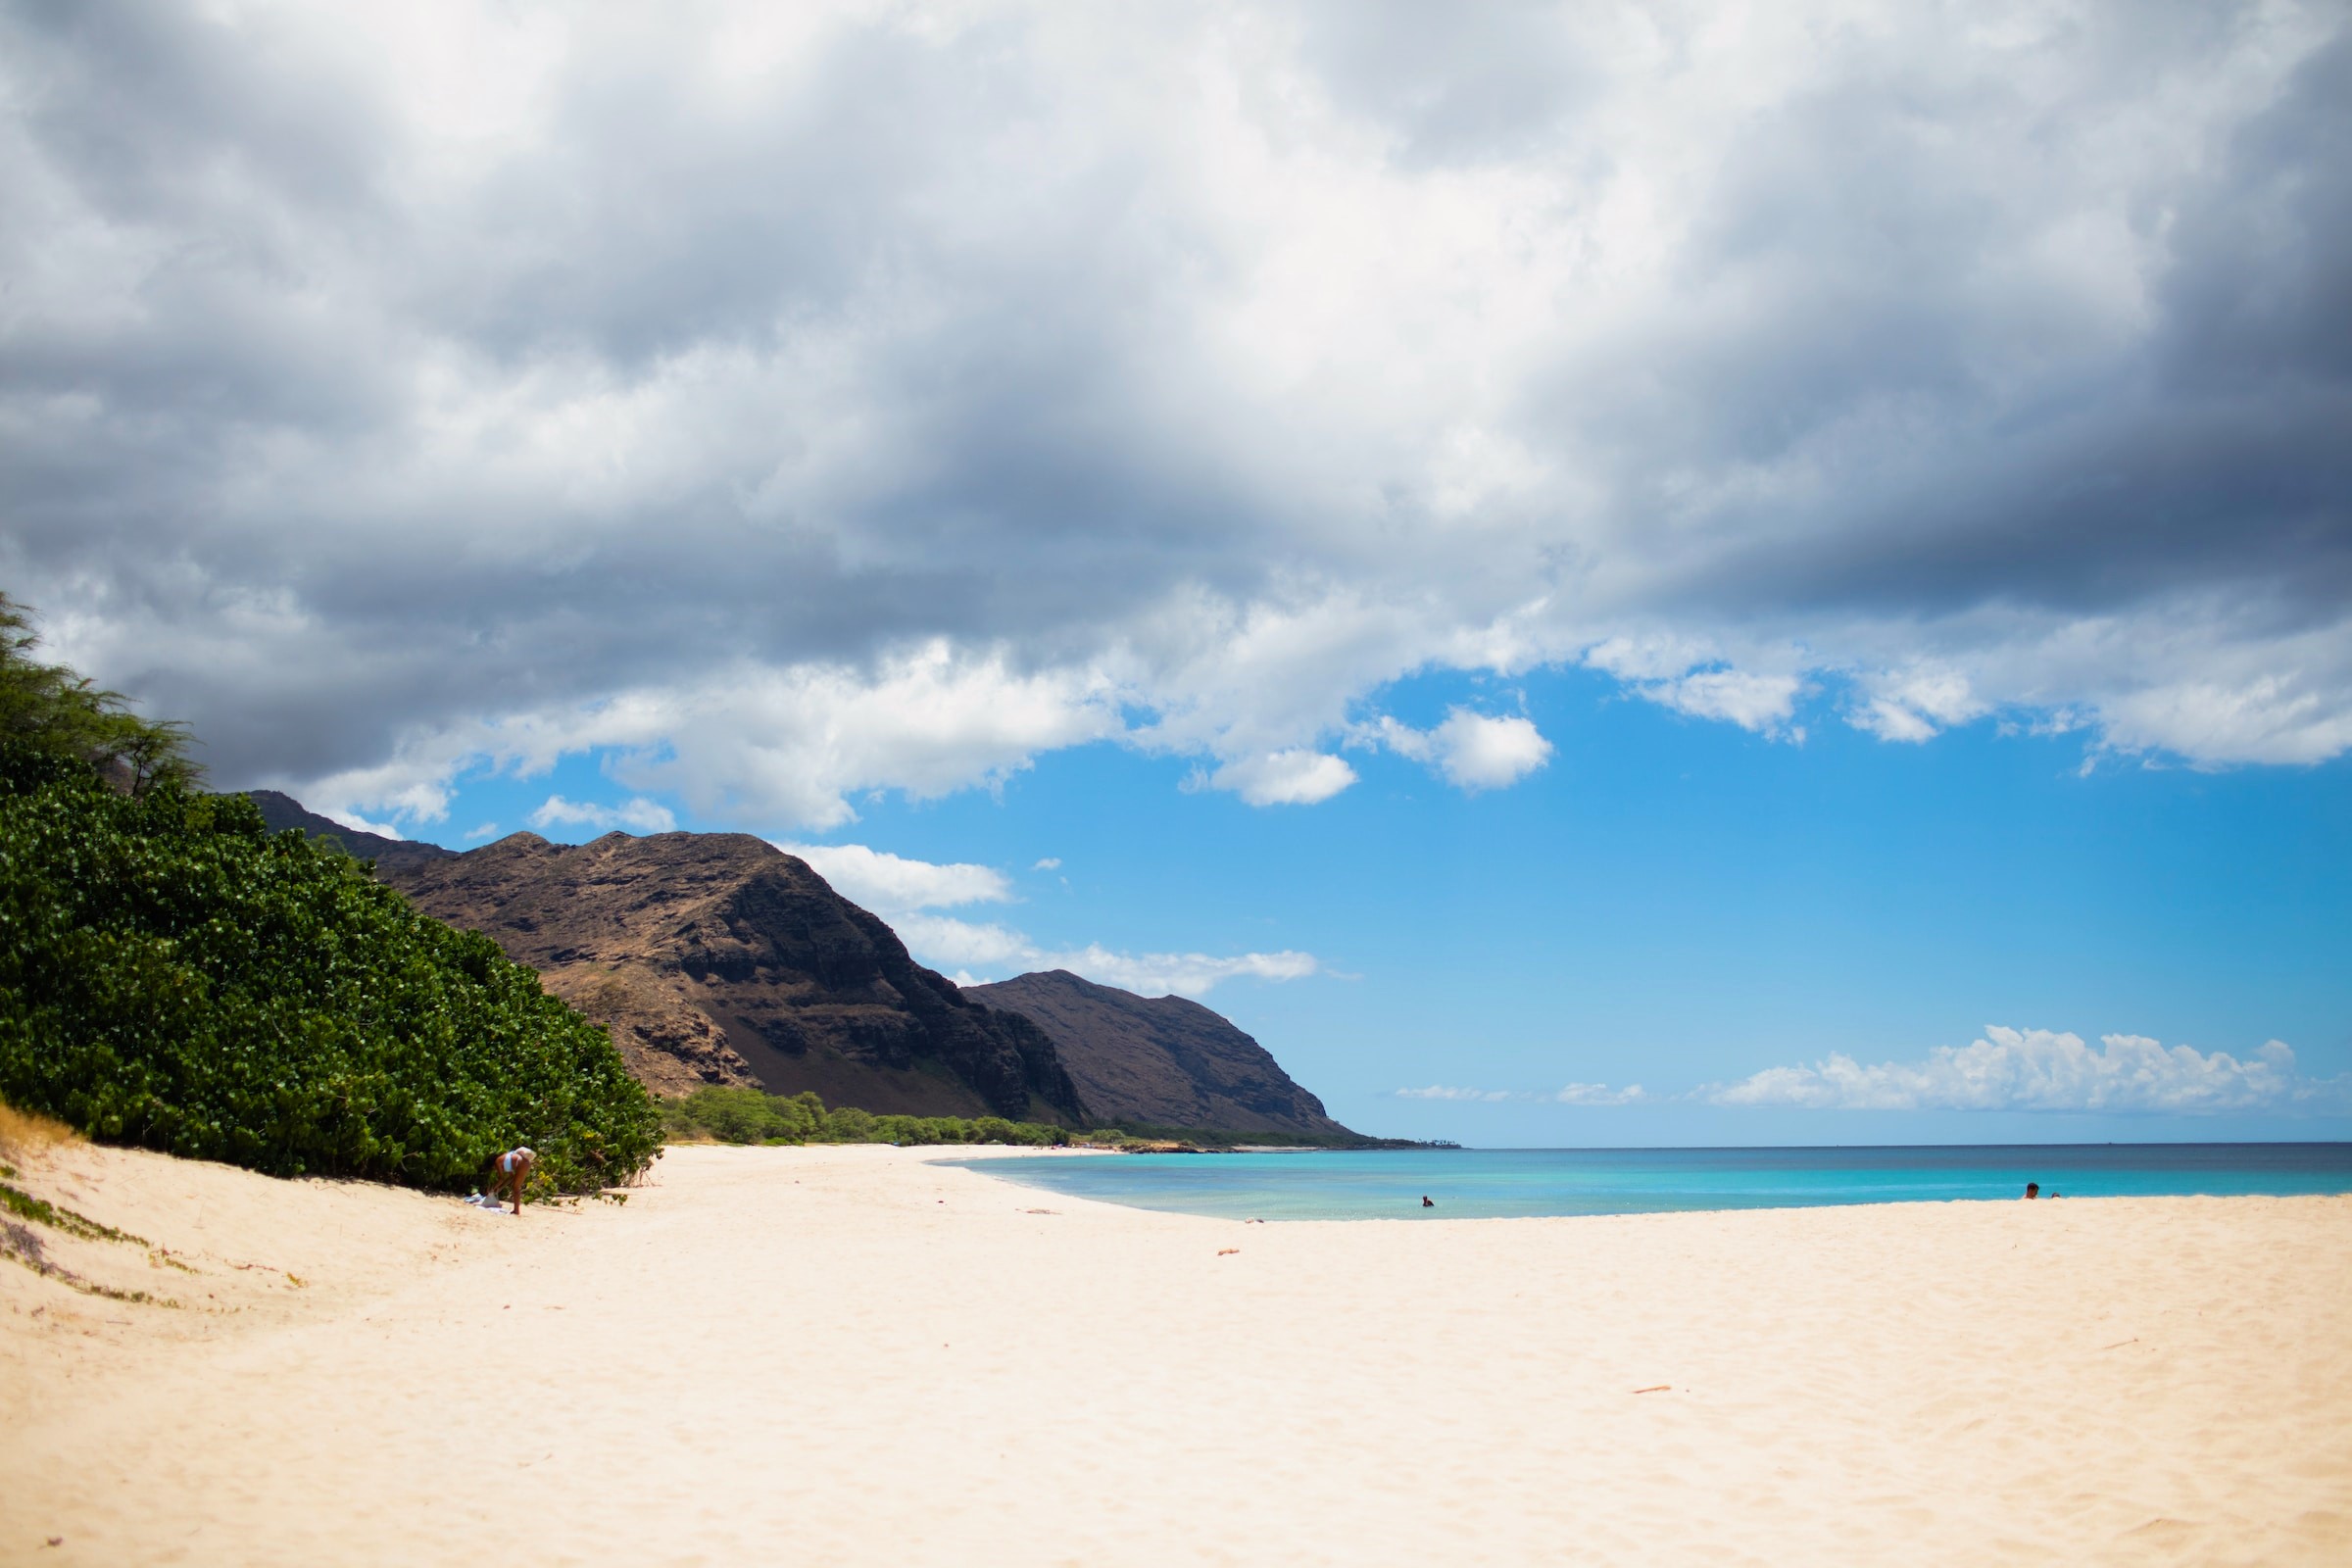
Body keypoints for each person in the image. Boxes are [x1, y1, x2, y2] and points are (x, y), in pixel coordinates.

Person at [494, 1146, 537, 1215]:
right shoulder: (505, 1161)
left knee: (516, 1187)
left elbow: (501, 1179)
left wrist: (493, 1189)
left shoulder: (498, 1162)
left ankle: (516, 1211)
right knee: (515, 1187)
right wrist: (500, 1188)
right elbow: (511, 1178)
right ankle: (516, 1210)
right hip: (525, 1163)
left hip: (522, 1163)